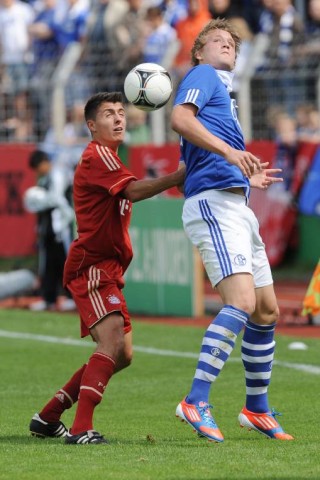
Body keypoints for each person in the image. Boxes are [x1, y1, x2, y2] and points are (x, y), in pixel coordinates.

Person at [29, 91, 185, 445]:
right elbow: (133, 192)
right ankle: (82, 428)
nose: (118, 119)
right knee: (112, 343)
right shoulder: (97, 155)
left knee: (123, 354)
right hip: (92, 267)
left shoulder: (111, 157)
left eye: (121, 112)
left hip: (108, 268)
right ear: (91, 125)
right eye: (108, 114)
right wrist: (178, 176)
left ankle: (49, 415)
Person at [171, 18, 294, 442]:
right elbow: (179, 119)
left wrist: (245, 177)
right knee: (241, 302)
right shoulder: (202, 76)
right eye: (217, 40)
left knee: (267, 310)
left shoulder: (224, 93)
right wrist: (229, 151)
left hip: (235, 201)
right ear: (199, 51)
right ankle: (195, 400)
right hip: (214, 205)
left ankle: (256, 408)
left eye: (233, 44)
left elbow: (199, 151)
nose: (227, 46)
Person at [25, 150, 75, 312]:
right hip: (48, 228)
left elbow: (56, 198)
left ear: (45, 162)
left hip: (61, 227)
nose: (38, 171)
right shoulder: (44, 180)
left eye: (38, 166)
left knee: (66, 261)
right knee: (48, 264)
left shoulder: (57, 175)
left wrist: (38, 199)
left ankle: (72, 297)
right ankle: (49, 299)